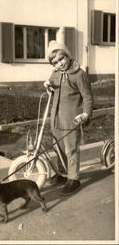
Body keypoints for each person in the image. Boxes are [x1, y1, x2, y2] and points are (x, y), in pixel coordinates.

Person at [44, 40, 93, 195]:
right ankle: (63, 173)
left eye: (61, 59)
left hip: (71, 118)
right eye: (55, 62)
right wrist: (48, 85)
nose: (60, 64)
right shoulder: (55, 73)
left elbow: (87, 96)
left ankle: (74, 179)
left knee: (70, 149)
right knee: (58, 147)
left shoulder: (79, 74)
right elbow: (52, 85)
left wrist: (86, 113)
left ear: (67, 55)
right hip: (56, 118)